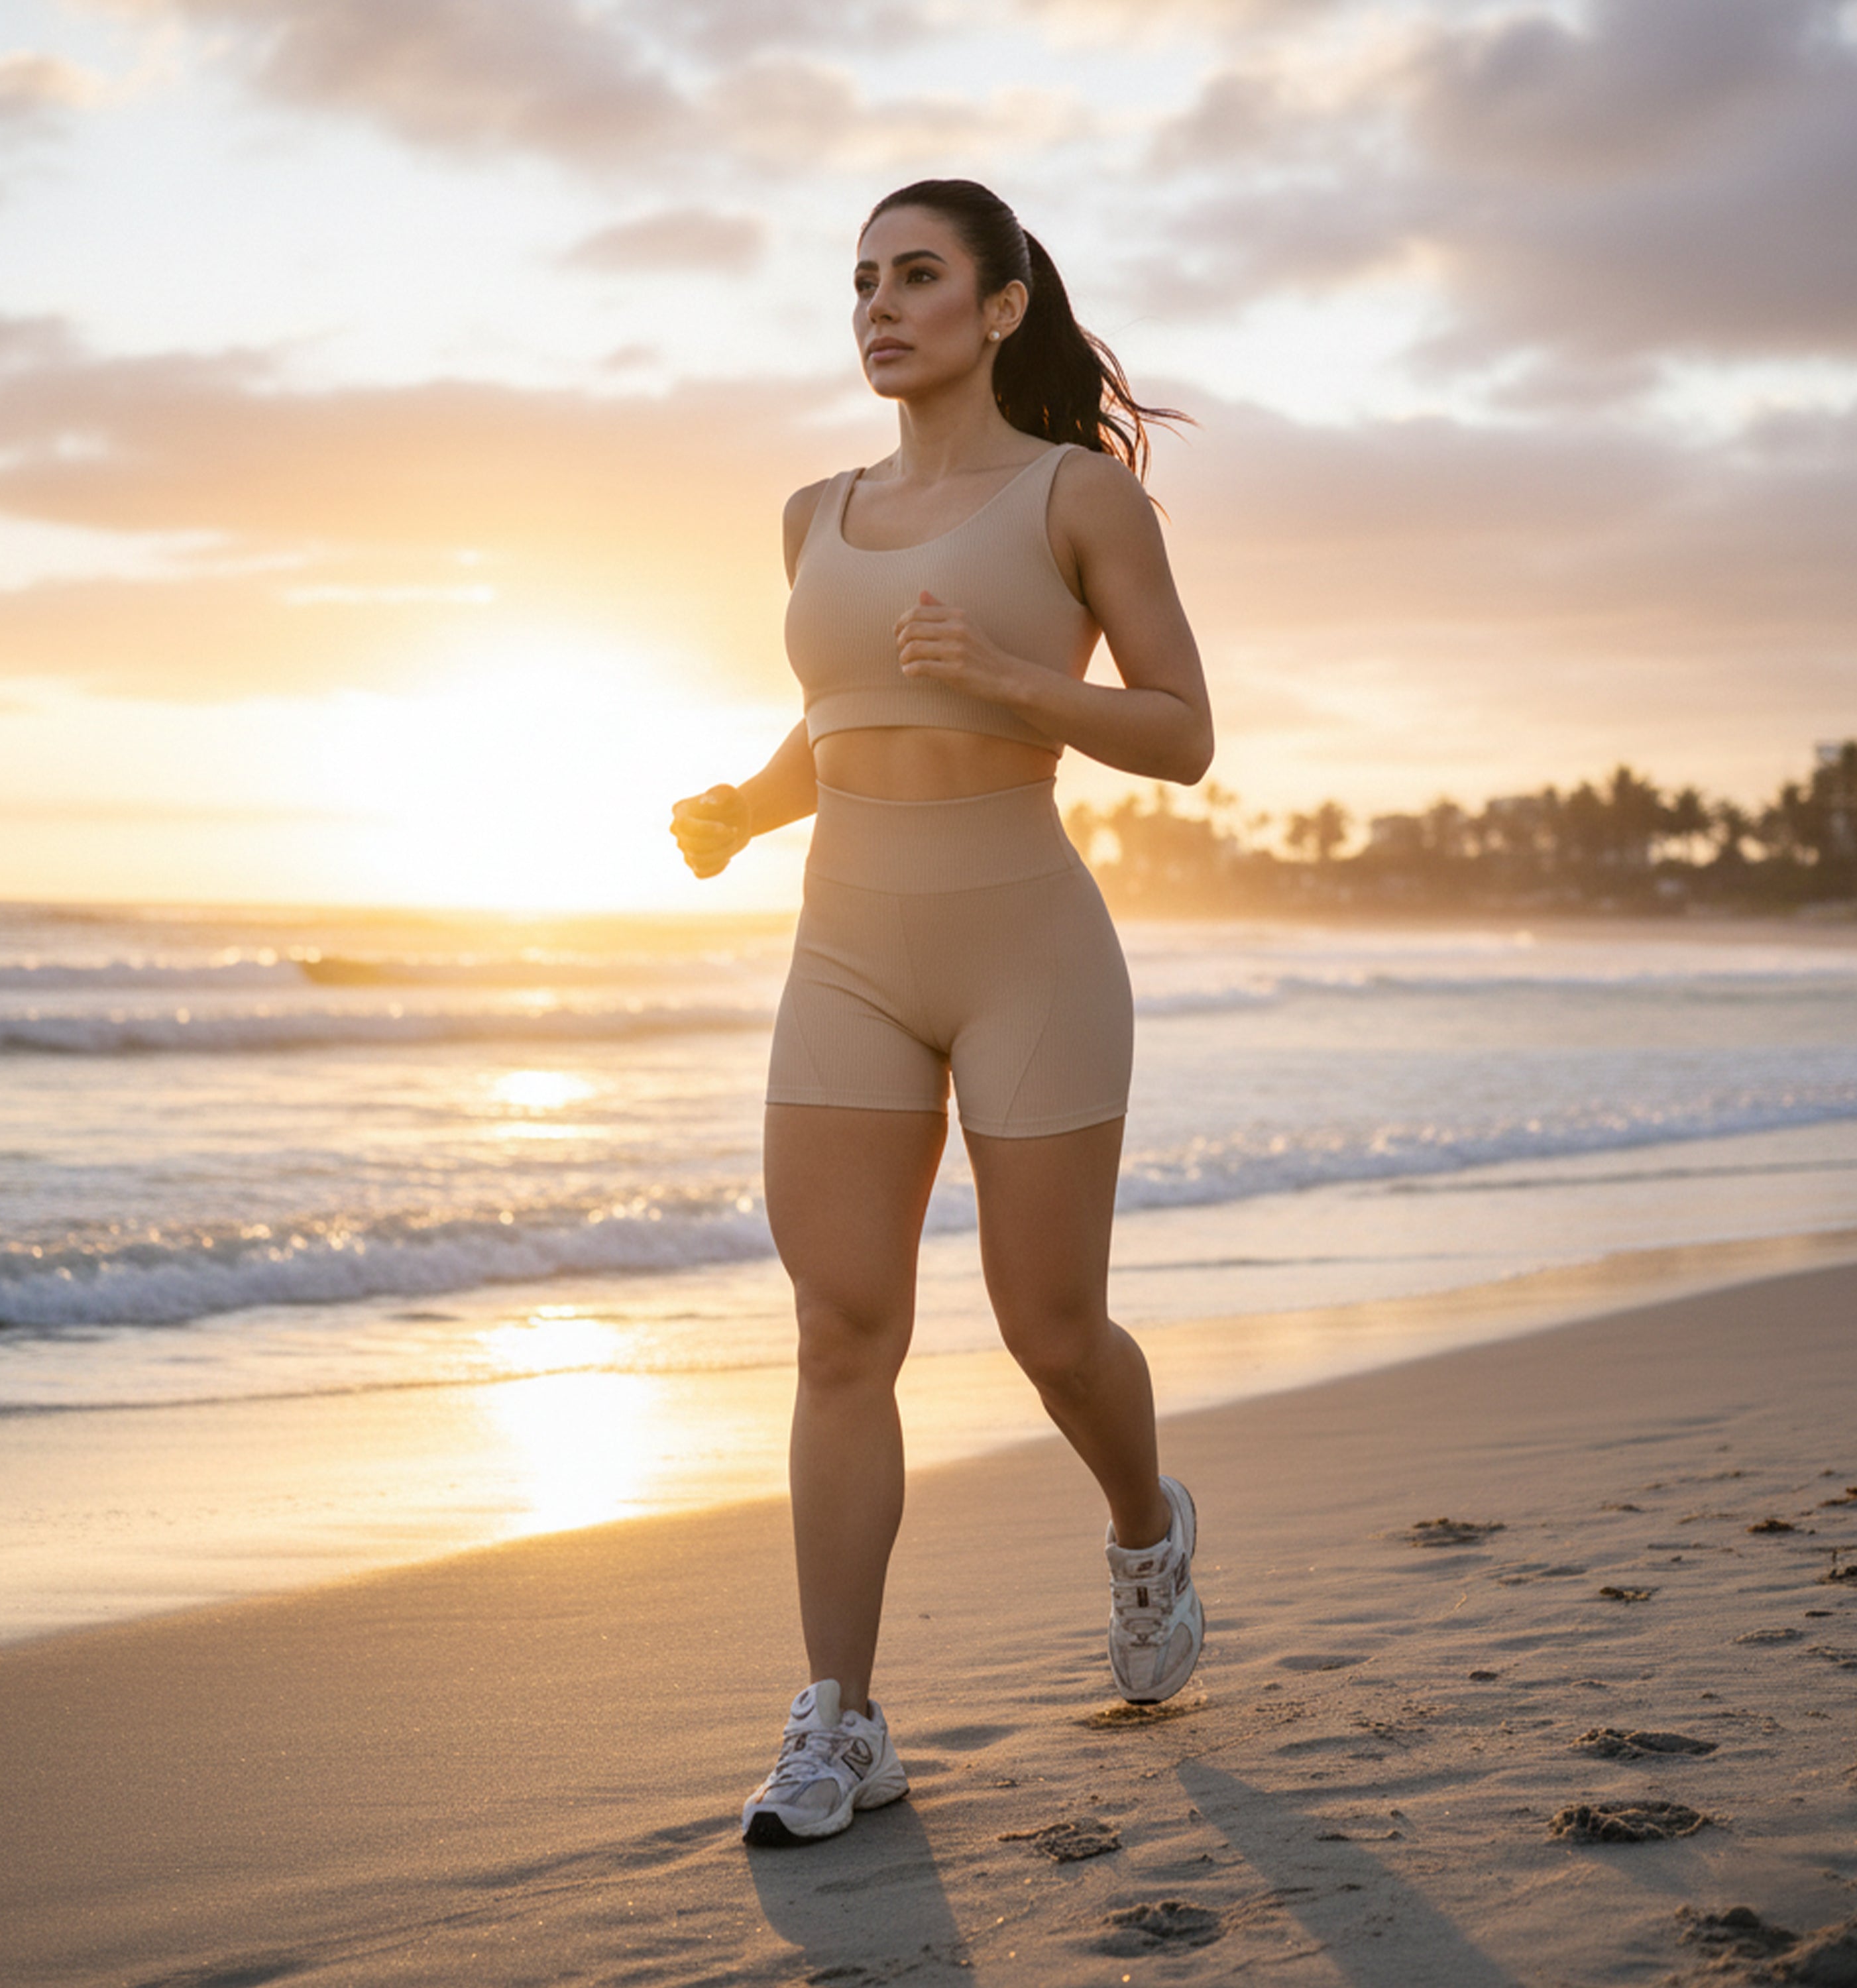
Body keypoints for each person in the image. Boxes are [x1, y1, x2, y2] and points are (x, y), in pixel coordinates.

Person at [669, 179, 1214, 1850]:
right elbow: (836, 713)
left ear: (999, 310)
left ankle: (1145, 1524)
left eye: (918, 277)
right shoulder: (809, 512)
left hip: (1028, 950)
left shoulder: (1079, 498)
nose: (878, 308)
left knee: (1052, 1332)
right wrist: (744, 811)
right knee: (843, 1331)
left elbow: (1181, 731)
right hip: (845, 950)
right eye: (860, 283)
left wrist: (1008, 680)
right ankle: (842, 1718)